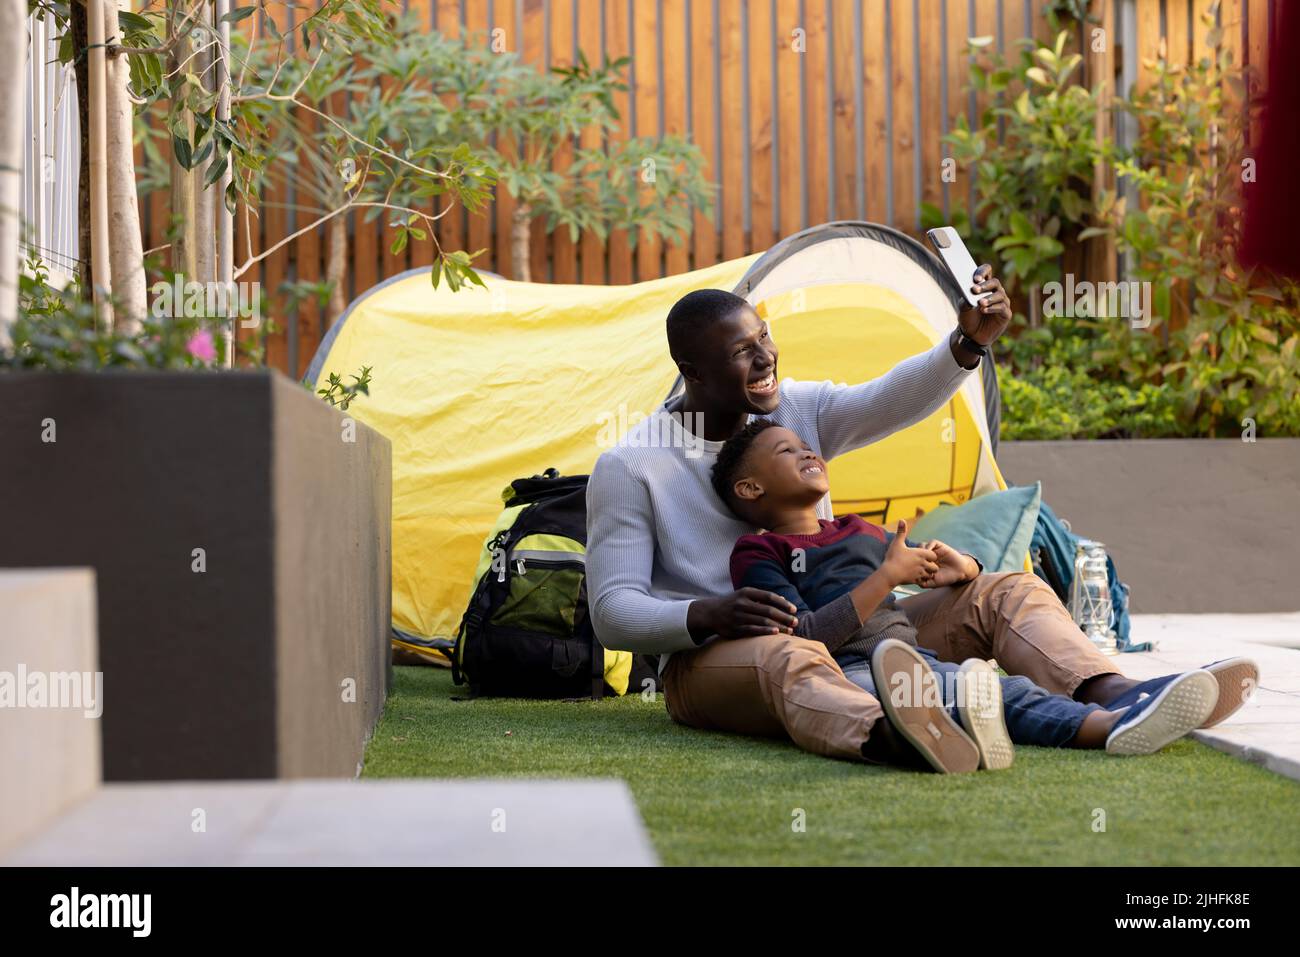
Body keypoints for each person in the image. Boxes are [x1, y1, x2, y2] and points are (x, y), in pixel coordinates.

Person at [584, 272, 1257, 763]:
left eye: (765, 337)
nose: (766, 358)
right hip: (717, 662)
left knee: (1001, 588)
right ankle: (895, 729)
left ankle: (1116, 695)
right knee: (791, 653)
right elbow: (612, 611)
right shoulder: (632, 463)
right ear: (690, 369)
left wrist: (967, 342)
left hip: (854, 626)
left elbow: (892, 398)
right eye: (742, 351)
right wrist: (708, 614)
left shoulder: (795, 409)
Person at [713, 419, 1235, 771]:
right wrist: (886, 580)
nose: (807, 451)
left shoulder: (860, 530)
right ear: (751, 489)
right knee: (977, 690)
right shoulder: (758, 552)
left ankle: (1133, 700)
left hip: (909, 654)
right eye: (787, 451)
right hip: (852, 670)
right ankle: (1108, 728)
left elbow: (929, 562)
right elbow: (804, 638)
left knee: (982, 687)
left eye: (807, 446)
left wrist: (964, 565)